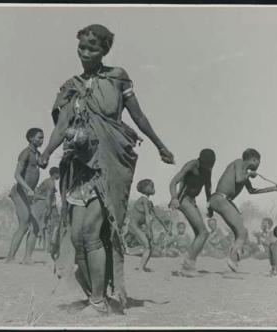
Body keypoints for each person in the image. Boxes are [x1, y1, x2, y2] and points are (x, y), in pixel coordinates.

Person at [39, 24, 175, 315]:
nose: (85, 52)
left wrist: (160, 145)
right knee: (77, 237)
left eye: (93, 48)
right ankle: (94, 293)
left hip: (109, 162)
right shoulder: (71, 86)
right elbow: (62, 125)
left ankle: (98, 301)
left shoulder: (118, 78)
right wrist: (47, 152)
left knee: (92, 233)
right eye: (82, 47)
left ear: (104, 51)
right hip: (79, 165)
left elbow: (138, 114)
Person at [208, 148, 277, 272]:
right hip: (220, 199)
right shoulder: (238, 162)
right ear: (254, 159)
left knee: (240, 232)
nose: (258, 165)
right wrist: (250, 174)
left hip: (223, 201)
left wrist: (272, 189)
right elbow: (238, 179)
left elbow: (252, 191)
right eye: (259, 162)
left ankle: (233, 258)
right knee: (242, 233)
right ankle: (232, 262)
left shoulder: (244, 173)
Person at [168, 149, 215, 277]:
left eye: (211, 164)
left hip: (191, 201)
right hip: (183, 199)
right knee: (203, 233)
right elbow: (173, 182)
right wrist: (174, 198)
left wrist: (209, 207)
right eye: (207, 164)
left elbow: (208, 190)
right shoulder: (192, 164)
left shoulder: (208, 170)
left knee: (200, 234)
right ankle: (187, 266)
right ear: (201, 160)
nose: (209, 167)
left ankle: (187, 265)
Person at [4, 128, 44, 264]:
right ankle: (10, 258)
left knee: (36, 226)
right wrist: (28, 189)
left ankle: (27, 258)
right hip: (20, 192)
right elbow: (17, 175)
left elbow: (43, 165)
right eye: (39, 138)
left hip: (30, 193)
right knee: (24, 224)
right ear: (31, 139)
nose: (42, 140)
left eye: (43, 138)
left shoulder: (37, 154)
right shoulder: (25, 153)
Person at [127, 179, 171, 272]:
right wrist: (149, 230)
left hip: (136, 226)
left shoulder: (148, 202)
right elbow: (147, 216)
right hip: (133, 226)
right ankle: (140, 268)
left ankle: (142, 266)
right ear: (145, 189)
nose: (154, 189)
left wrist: (165, 227)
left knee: (149, 247)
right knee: (147, 246)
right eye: (152, 187)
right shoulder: (144, 200)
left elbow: (157, 216)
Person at [32, 167, 60, 252]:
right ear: (55, 174)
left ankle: (47, 246)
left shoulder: (49, 181)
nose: (59, 175)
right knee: (48, 225)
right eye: (59, 174)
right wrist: (48, 209)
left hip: (45, 204)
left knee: (48, 225)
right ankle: (47, 246)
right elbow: (48, 196)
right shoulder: (50, 183)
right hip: (44, 204)